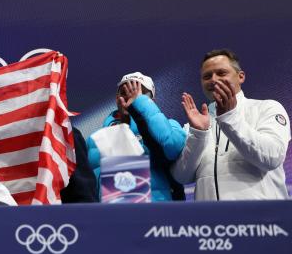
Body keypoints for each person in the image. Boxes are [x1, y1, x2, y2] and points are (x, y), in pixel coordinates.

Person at [171, 49, 290, 200]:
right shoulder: (196, 125)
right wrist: (199, 135)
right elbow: (181, 177)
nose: (213, 79)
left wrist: (230, 117)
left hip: (261, 221)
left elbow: (272, 157)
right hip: (210, 222)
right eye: (207, 76)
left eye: (221, 73)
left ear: (241, 77)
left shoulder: (266, 108)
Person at [87, 72, 186, 201]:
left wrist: (141, 104)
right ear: (117, 98)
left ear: (152, 100)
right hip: (113, 216)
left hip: (158, 215)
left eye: (140, 92)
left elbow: (172, 146)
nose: (130, 96)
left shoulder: (171, 126)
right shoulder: (95, 140)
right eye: (124, 92)